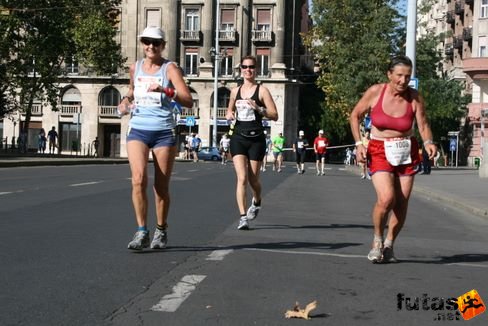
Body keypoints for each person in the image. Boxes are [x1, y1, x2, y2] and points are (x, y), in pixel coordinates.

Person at [349, 55, 437, 263]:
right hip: (379, 149)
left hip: (406, 150)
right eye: (399, 76)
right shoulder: (375, 92)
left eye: (407, 76)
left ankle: (389, 244)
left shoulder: (414, 97)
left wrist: (429, 142)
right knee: (387, 198)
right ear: (389, 74)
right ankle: (377, 240)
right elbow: (355, 115)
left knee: (401, 203)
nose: (403, 81)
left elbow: (422, 124)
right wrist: (359, 144)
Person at [117, 26, 193, 250]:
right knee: (138, 179)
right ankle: (142, 231)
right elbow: (131, 90)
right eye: (147, 42)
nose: (151, 46)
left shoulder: (170, 69)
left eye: (156, 43)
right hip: (138, 128)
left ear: (163, 46)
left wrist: (164, 90)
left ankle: (161, 229)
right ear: (142, 43)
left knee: (161, 187)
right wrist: (125, 101)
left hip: (163, 131)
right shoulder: (135, 67)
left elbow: (188, 100)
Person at [225, 55, 278, 230]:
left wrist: (259, 109)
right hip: (238, 137)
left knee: (253, 180)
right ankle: (242, 217)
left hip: (256, 139)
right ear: (240, 69)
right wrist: (229, 114)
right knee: (241, 178)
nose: (248, 70)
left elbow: (274, 115)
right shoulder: (235, 91)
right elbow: (229, 109)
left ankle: (257, 201)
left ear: (256, 69)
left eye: (251, 67)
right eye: (245, 67)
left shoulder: (262, 91)